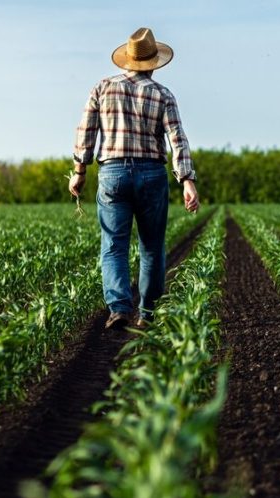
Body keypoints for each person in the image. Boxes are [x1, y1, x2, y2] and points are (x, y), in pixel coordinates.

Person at [70, 27, 200, 331]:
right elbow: (177, 139)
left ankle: (119, 308)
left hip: (113, 173)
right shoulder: (163, 94)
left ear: (126, 59)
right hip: (152, 173)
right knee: (152, 246)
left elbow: (85, 132)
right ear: (153, 63)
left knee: (114, 244)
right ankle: (148, 313)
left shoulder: (102, 87)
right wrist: (187, 180)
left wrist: (79, 172)